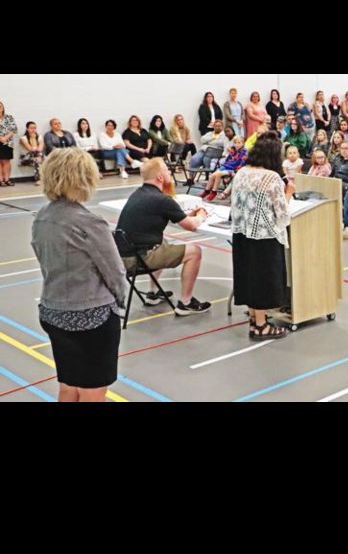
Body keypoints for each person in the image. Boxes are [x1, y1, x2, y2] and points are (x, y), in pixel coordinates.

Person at [32, 148, 129, 402]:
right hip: (91, 317)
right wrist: (119, 303)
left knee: (69, 385)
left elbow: (44, 262)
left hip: (53, 311)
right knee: (92, 391)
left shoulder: (42, 217)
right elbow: (116, 273)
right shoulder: (88, 222)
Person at [115, 159, 212, 315]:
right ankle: (186, 303)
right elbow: (192, 226)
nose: (169, 173)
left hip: (123, 255)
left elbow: (167, 214)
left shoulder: (138, 194)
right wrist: (201, 215)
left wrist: (186, 215)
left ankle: (152, 294)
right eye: (167, 170)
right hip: (138, 258)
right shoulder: (162, 199)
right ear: (160, 177)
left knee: (162, 242)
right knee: (195, 252)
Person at [230, 134, 294, 341]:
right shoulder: (271, 177)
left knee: (248, 275)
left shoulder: (241, 173)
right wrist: (289, 193)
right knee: (263, 279)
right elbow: (281, 212)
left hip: (242, 233)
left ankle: (252, 317)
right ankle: (261, 325)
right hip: (264, 236)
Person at [0, 100, 16, 187]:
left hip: (7, 143)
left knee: (6, 161)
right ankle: (1, 180)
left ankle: (7, 179)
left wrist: (5, 138)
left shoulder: (9, 117)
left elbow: (13, 129)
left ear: (2, 108)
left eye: (0, 106)